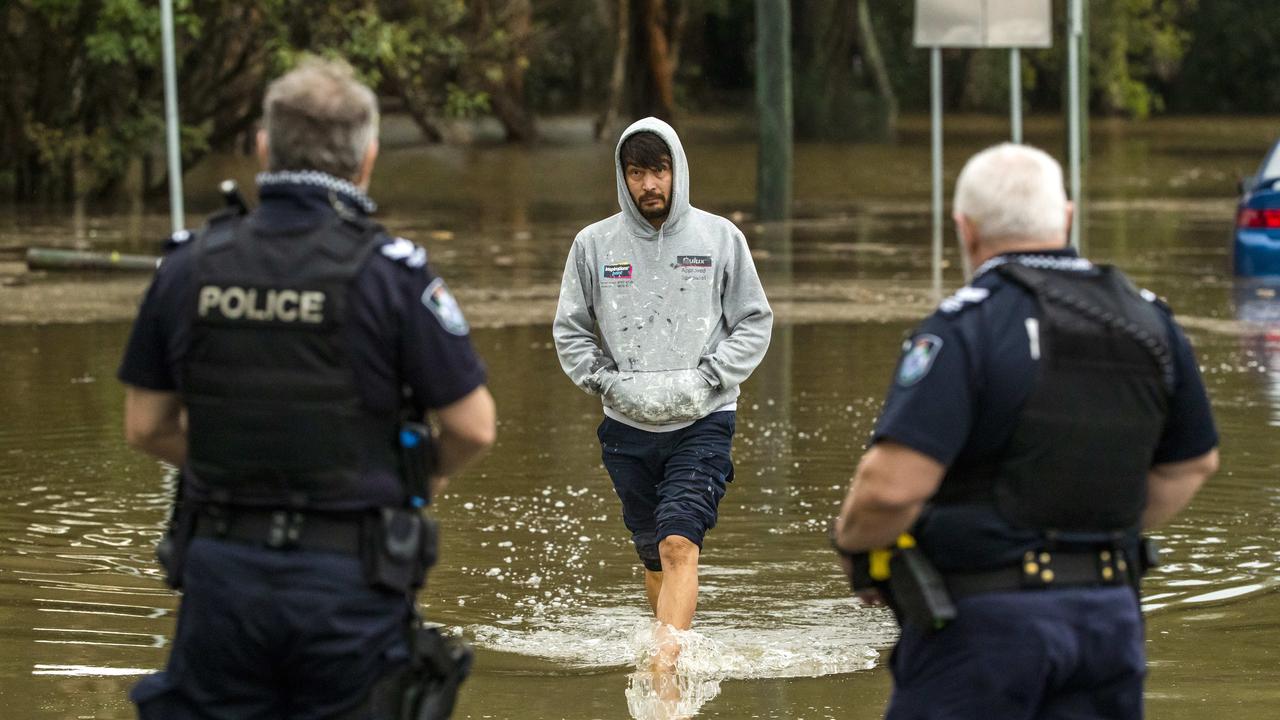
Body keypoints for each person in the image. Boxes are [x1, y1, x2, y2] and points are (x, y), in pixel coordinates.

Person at [118, 57, 496, 718]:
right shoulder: (393, 275)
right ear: (367, 160)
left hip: (222, 575)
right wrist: (409, 478)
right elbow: (472, 427)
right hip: (349, 581)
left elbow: (145, 425)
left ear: (264, 148)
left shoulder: (187, 266)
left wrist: (233, 463)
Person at [832, 143, 1219, 719]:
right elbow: (1194, 462)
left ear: (965, 231)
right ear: (1066, 216)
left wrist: (853, 545)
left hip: (984, 628)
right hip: (1109, 620)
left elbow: (891, 489)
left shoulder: (966, 325)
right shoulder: (1149, 320)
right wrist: (1096, 529)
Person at [553, 117, 772, 666]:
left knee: (679, 543)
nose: (649, 184)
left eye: (658, 170)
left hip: (704, 418)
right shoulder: (592, 244)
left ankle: (663, 678)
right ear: (622, 178)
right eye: (636, 172)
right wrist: (606, 382)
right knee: (654, 555)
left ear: (677, 171)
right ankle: (671, 650)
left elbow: (754, 321)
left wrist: (709, 378)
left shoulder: (721, 237)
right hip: (626, 424)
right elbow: (571, 330)